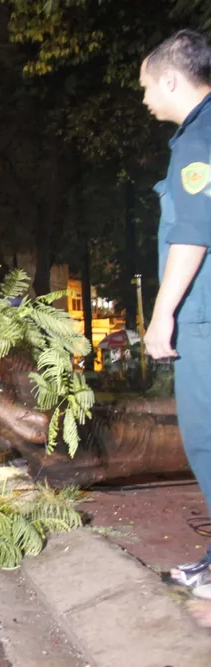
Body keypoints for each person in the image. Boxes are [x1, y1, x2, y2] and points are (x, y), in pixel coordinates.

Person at [139, 29, 211, 588]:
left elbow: (191, 234)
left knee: (206, 436)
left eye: (146, 86)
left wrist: (162, 314)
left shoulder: (195, 141)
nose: (144, 99)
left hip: (205, 320)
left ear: (170, 78)